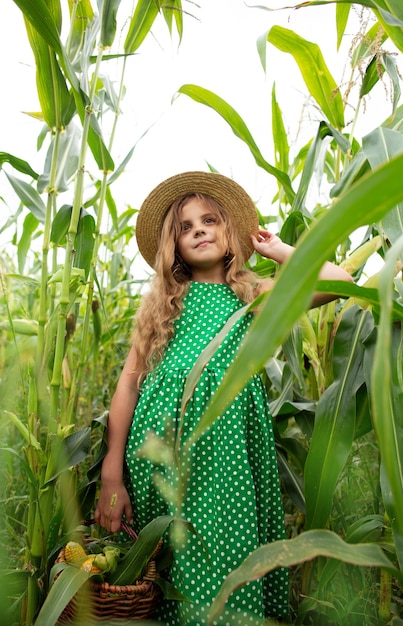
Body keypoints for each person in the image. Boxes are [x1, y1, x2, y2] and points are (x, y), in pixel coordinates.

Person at [94, 171, 353, 625]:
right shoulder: (160, 306)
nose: (198, 230)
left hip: (227, 446)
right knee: (172, 550)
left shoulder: (252, 294)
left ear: (230, 234)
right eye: (185, 227)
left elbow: (341, 279)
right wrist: (112, 469)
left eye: (210, 220)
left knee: (223, 542)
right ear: (172, 247)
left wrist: (278, 251)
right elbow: (128, 385)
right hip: (160, 447)